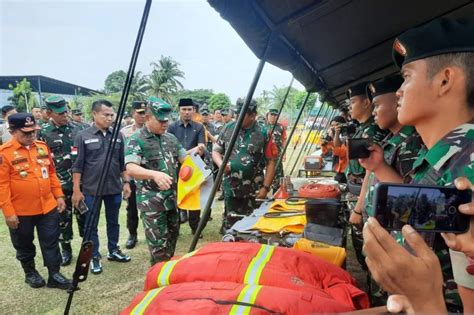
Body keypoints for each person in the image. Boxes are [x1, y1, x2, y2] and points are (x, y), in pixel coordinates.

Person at [362, 17, 474, 312]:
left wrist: (422, 300)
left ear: (445, 80)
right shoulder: (448, 156)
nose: (398, 91)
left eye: (408, 76)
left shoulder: (468, 171)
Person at [0, 113, 71, 289]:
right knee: (24, 244)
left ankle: (54, 274)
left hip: (47, 207)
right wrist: (9, 213)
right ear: (12, 131)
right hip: (21, 211)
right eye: (26, 132)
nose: (32, 135)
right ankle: (30, 273)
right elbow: (2, 186)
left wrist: (59, 195)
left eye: (34, 131)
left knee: (51, 241)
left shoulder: (41, 147)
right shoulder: (5, 153)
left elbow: (52, 173)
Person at [71, 99, 132, 275]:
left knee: (114, 222)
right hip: (91, 189)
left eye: (112, 115)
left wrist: (126, 182)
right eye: (106, 114)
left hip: (114, 187)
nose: (110, 118)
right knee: (91, 225)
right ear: (94, 114)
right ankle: (94, 256)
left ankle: (113, 250)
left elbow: (122, 163)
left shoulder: (118, 135)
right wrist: (76, 190)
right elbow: (77, 165)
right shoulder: (83, 136)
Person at [125, 98, 187, 265]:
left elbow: (186, 159)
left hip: (172, 201)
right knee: (159, 249)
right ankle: (159, 283)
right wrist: (154, 174)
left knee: (172, 242)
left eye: (167, 120)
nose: (165, 123)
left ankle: (167, 277)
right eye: (160, 120)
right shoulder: (136, 139)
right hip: (152, 204)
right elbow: (130, 167)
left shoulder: (171, 139)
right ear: (147, 118)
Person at [339, 81, 388, 270]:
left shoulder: (372, 131)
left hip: (364, 195)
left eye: (353, 102)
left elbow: (370, 170)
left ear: (366, 103)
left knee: (369, 256)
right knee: (362, 253)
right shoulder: (362, 129)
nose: (350, 107)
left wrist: (358, 208)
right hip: (356, 191)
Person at [213, 98, 277, 234]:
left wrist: (265, 188)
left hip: (254, 189)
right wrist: (221, 164)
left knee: (252, 228)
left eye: (242, 115)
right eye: (236, 114)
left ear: (253, 116)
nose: (237, 118)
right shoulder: (228, 128)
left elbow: (271, 161)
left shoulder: (264, 133)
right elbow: (216, 150)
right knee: (230, 226)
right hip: (231, 187)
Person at [38, 96, 85, 266]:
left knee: (84, 217)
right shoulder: (42, 133)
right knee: (62, 220)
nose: (65, 115)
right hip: (59, 187)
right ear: (49, 113)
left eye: (66, 111)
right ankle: (66, 249)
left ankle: (87, 249)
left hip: (81, 185)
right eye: (60, 113)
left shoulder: (80, 129)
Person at [167, 98, 206, 235]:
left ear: (194, 111)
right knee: (175, 197)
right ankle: (175, 227)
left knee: (194, 197)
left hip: (194, 168)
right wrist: (191, 151)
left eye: (189, 109)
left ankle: (195, 227)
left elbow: (201, 148)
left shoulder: (199, 127)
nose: (187, 112)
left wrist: (195, 150)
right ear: (179, 110)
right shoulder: (171, 127)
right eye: (184, 109)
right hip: (175, 167)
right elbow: (170, 150)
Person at [120, 101, 146, 249]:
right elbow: (121, 156)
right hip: (131, 175)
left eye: (144, 113)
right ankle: (132, 234)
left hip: (147, 174)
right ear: (133, 114)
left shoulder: (151, 130)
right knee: (131, 207)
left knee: (152, 205)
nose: (142, 116)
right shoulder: (125, 132)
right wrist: (126, 179)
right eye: (139, 113)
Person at [321, 115, 349, 183]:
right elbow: (325, 152)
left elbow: (338, 149)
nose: (333, 127)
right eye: (332, 125)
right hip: (338, 167)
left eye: (336, 125)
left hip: (345, 169)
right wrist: (326, 141)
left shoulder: (345, 135)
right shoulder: (333, 134)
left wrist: (335, 135)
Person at [265, 107, 287, 192]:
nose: (273, 117)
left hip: (276, 154)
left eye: (275, 115)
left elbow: (284, 140)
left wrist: (284, 154)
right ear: (268, 115)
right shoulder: (264, 126)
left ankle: (276, 190)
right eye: (272, 114)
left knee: (277, 172)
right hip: (265, 154)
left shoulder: (280, 127)